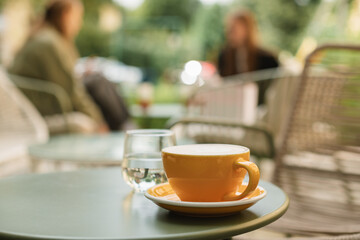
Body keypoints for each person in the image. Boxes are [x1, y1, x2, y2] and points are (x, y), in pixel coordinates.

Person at [9, 0, 130, 131]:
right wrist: (98, 122)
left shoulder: (47, 37)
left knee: (98, 80)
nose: (80, 23)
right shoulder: (49, 43)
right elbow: (72, 90)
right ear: (65, 16)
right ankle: (125, 129)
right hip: (42, 107)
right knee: (98, 83)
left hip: (44, 102)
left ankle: (126, 127)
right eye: (77, 17)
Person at [217, 10, 279, 105]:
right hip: (232, 104)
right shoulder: (225, 56)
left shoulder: (266, 58)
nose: (230, 33)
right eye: (229, 29)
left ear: (247, 29)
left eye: (234, 29)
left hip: (257, 106)